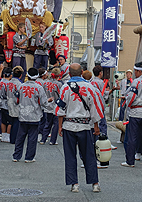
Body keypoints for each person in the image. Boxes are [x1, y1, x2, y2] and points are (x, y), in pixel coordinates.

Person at [56, 63, 101, 193]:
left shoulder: (65, 87)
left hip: (69, 125)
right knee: (89, 155)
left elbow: (60, 108)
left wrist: (60, 126)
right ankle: (95, 183)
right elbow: (95, 108)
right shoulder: (89, 87)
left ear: (69, 74)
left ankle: (74, 184)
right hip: (85, 125)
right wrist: (96, 126)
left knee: (70, 156)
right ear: (82, 73)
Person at [12, 67, 51, 162]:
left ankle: (16, 156)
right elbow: (43, 102)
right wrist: (50, 105)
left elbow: (16, 100)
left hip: (23, 114)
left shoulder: (21, 86)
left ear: (27, 75)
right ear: (37, 76)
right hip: (35, 115)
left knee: (20, 137)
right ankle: (29, 157)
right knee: (32, 138)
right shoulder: (39, 88)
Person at [91, 65, 118, 152]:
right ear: (100, 73)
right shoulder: (101, 83)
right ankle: (104, 142)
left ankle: (95, 141)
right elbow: (104, 95)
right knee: (102, 125)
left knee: (94, 125)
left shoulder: (91, 82)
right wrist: (112, 90)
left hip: (93, 105)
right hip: (100, 105)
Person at [40, 68, 62, 145]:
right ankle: (53, 140)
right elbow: (60, 95)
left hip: (47, 105)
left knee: (47, 123)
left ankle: (43, 139)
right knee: (55, 124)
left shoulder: (45, 83)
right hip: (55, 105)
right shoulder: (58, 84)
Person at [6, 66, 24, 144]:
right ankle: (15, 139)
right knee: (16, 122)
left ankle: (11, 138)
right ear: (21, 75)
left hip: (9, 102)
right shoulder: (19, 84)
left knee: (12, 121)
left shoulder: (9, 83)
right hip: (16, 104)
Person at [0, 67, 13, 143]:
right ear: (10, 75)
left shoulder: (1, 81)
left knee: (3, 120)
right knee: (10, 121)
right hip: (8, 103)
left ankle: (3, 135)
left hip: (1, 102)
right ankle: (8, 135)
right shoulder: (9, 84)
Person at [35, 68, 48, 141]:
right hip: (41, 103)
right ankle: (40, 134)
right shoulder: (43, 83)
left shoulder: (36, 81)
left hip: (34, 102)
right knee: (43, 120)